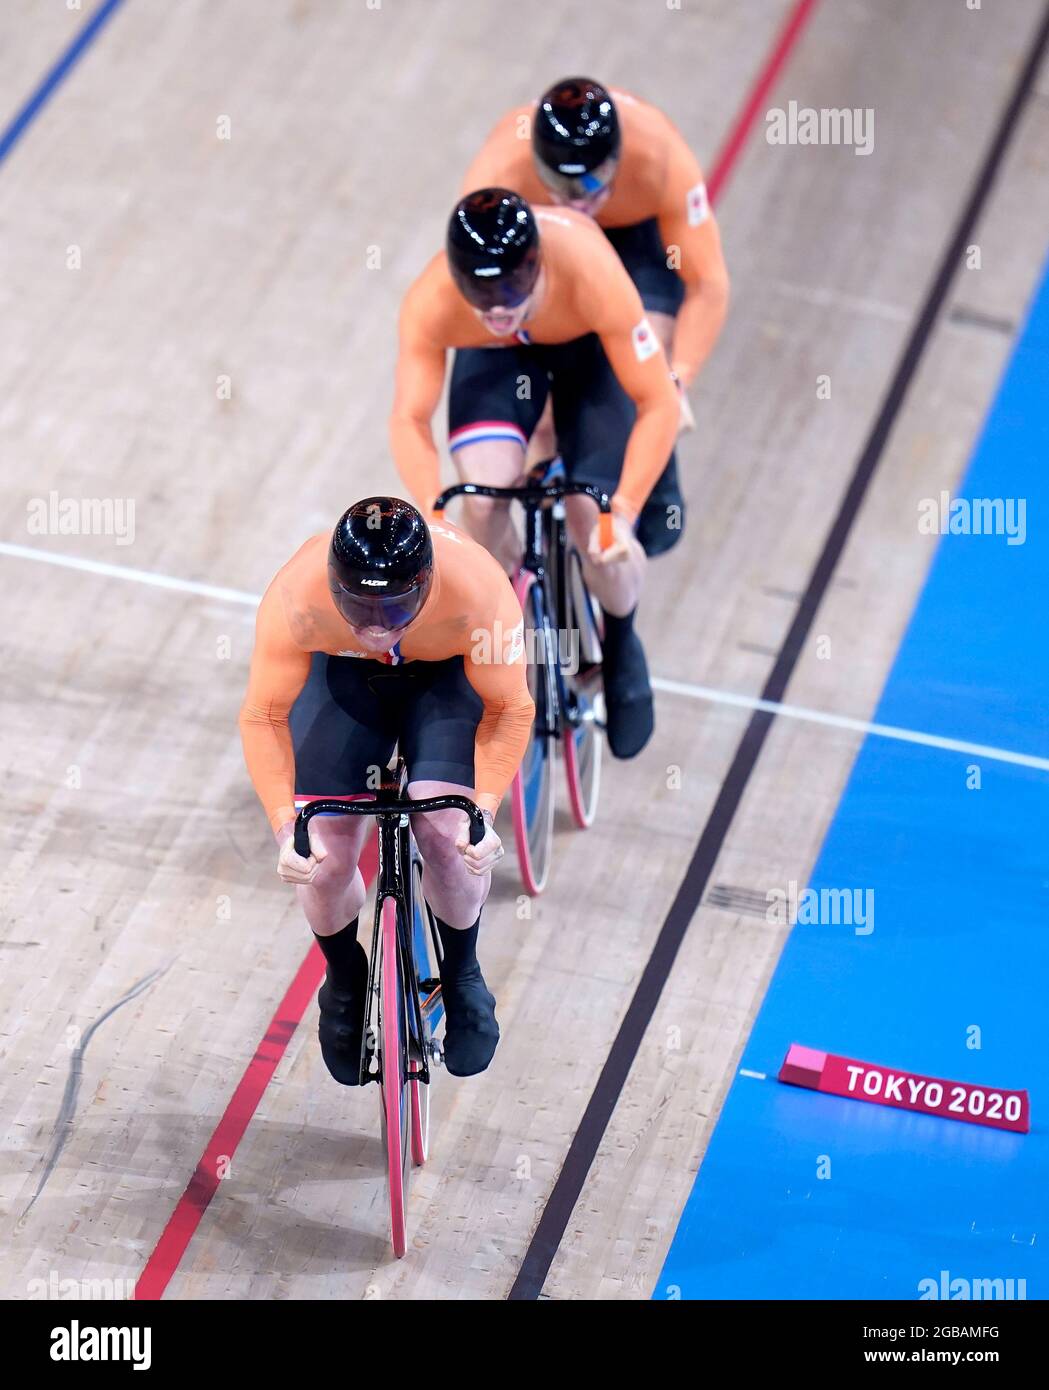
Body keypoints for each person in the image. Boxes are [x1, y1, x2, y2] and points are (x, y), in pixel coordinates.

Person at [238, 497, 534, 1082]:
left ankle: (464, 972)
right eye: (358, 605)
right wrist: (282, 826)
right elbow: (263, 716)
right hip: (344, 677)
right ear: (331, 585)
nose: (375, 624)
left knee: (449, 834)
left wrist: (485, 809)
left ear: (427, 583)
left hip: (444, 677)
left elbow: (509, 706)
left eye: (395, 604)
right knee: (320, 859)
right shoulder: (297, 596)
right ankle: (344, 975)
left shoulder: (478, 589)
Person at [390, 187, 679, 759]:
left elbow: (659, 402)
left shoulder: (587, 263)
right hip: (498, 360)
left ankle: (621, 644)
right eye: (480, 290)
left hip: (586, 356)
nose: (498, 306)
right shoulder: (432, 300)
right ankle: (500, 625)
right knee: (481, 499)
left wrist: (620, 513)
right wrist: (432, 508)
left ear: (538, 262)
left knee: (594, 529)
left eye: (511, 286)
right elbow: (408, 417)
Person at [460, 76, 730, 550]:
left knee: (644, 352)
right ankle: (560, 494)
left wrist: (677, 377)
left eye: (590, 181)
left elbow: (707, 283)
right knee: (542, 396)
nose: (576, 197)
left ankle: (648, 461)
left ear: (618, 160)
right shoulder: (499, 172)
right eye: (559, 181)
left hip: (635, 240)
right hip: (547, 246)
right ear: (534, 163)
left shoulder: (659, 158)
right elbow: (486, 296)